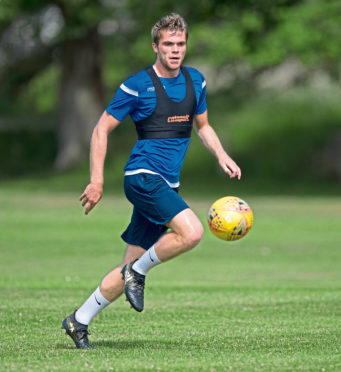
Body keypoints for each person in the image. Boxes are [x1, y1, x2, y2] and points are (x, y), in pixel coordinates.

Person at [62, 13, 241, 349]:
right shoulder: (136, 85)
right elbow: (101, 129)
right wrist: (96, 181)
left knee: (129, 264)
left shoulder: (196, 81)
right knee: (192, 232)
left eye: (180, 44)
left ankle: (78, 320)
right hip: (142, 176)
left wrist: (222, 155)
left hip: (167, 184)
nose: (175, 50)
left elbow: (203, 127)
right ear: (156, 46)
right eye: (168, 44)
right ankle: (138, 273)